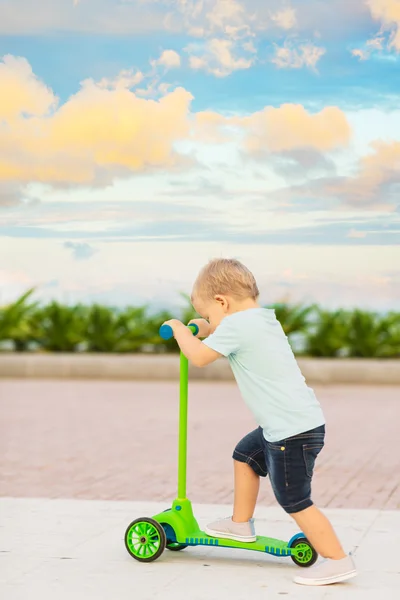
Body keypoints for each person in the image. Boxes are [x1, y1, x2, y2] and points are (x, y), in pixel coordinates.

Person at [162, 258, 357, 586]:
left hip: (289, 432)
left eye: (210, 313)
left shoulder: (238, 328)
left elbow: (197, 357)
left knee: (295, 500)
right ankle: (241, 523)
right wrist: (211, 327)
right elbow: (226, 334)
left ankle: (338, 560)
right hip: (294, 423)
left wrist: (181, 331)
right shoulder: (262, 321)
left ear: (222, 302)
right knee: (245, 456)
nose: (211, 320)